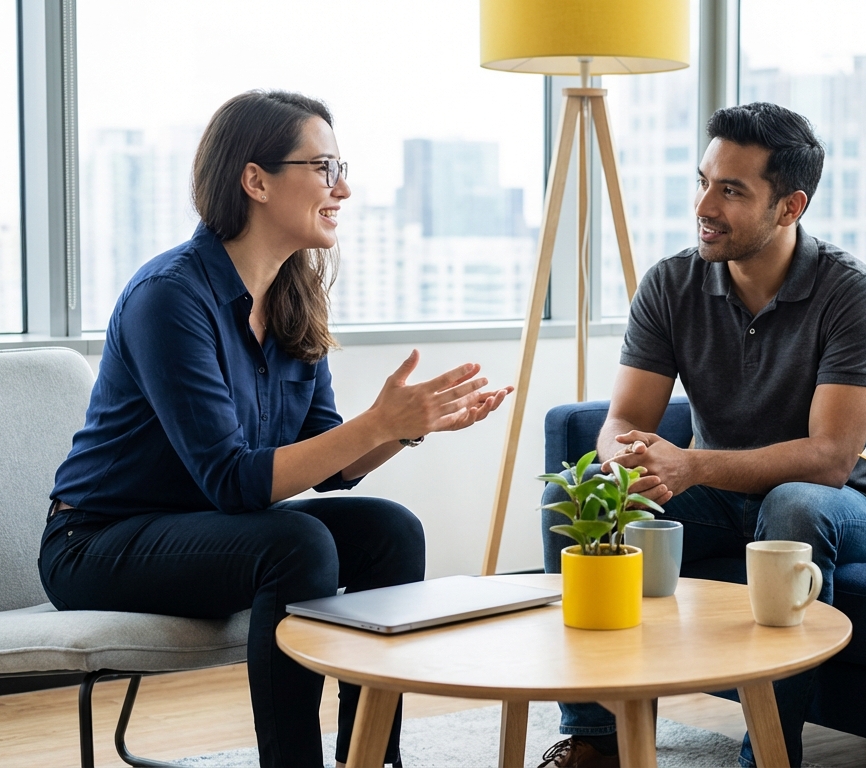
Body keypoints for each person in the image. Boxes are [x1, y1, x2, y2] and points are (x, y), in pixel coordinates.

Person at [39, 90, 512, 768]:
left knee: (392, 530)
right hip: (99, 544)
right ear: (255, 180)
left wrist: (406, 427)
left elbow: (330, 465)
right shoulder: (170, 297)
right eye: (323, 167)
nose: (342, 187)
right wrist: (378, 422)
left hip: (213, 533)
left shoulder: (294, 295)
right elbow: (233, 482)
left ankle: (371, 757)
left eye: (339, 167)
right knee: (295, 543)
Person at [538, 102, 866, 768]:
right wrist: (627, 461)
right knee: (581, 491)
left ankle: (767, 751)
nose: (704, 203)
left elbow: (829, 459)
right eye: (704, 180)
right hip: (720, 500)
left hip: (843, 506)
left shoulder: (853, 293)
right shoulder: (672, 282)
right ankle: (591, 736)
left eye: (731, 191)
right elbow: (625, 420)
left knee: (793, 505)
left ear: (790, 207)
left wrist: (693, 467)